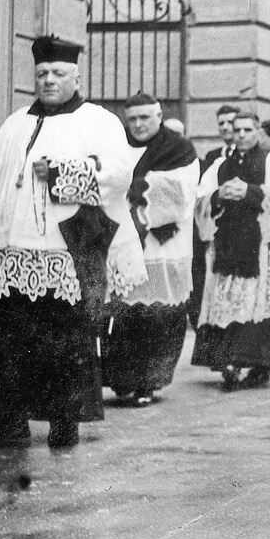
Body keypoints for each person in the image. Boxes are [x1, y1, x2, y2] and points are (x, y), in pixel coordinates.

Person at [0, 35, 146, 448]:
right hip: (12, 249)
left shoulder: (99, 120)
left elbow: (118, 175)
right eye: (42, 74)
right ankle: (12, 419)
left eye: (57, 73)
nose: (48, 80)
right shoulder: (14, 123)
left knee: (64, 339)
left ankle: (64, 419)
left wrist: (60, 172)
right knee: (11, 334)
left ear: (76, 76)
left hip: (66, 246)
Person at [101, 93, 199, 407]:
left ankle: (149, 381)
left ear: (159, 115)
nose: (139, 124)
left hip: (162, 245)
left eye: (146, 117)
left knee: (158, 315)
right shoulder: (117, 144)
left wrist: (135, 186)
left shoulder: (178, 148)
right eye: (133, 119)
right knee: (124, 315)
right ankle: (122, 379)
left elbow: (180, 191)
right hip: (123, 240)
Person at [191, 112, 270, 391]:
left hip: (262, 245)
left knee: (257, 302)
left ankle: (260, 363)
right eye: (236, 129)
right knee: (230, 301)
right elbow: (201, 201)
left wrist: (251, 192)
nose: (240, 134)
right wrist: (218, 196)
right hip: (227, 243)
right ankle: (230, 361)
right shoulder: (218, 165)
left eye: (247, 129)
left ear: (258, 132)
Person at [191, 104, 241, 327]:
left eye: (230, 122)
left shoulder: (246, 156)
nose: (226, 127)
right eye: (221, 123)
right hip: (215, 226)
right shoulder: (212, 156)